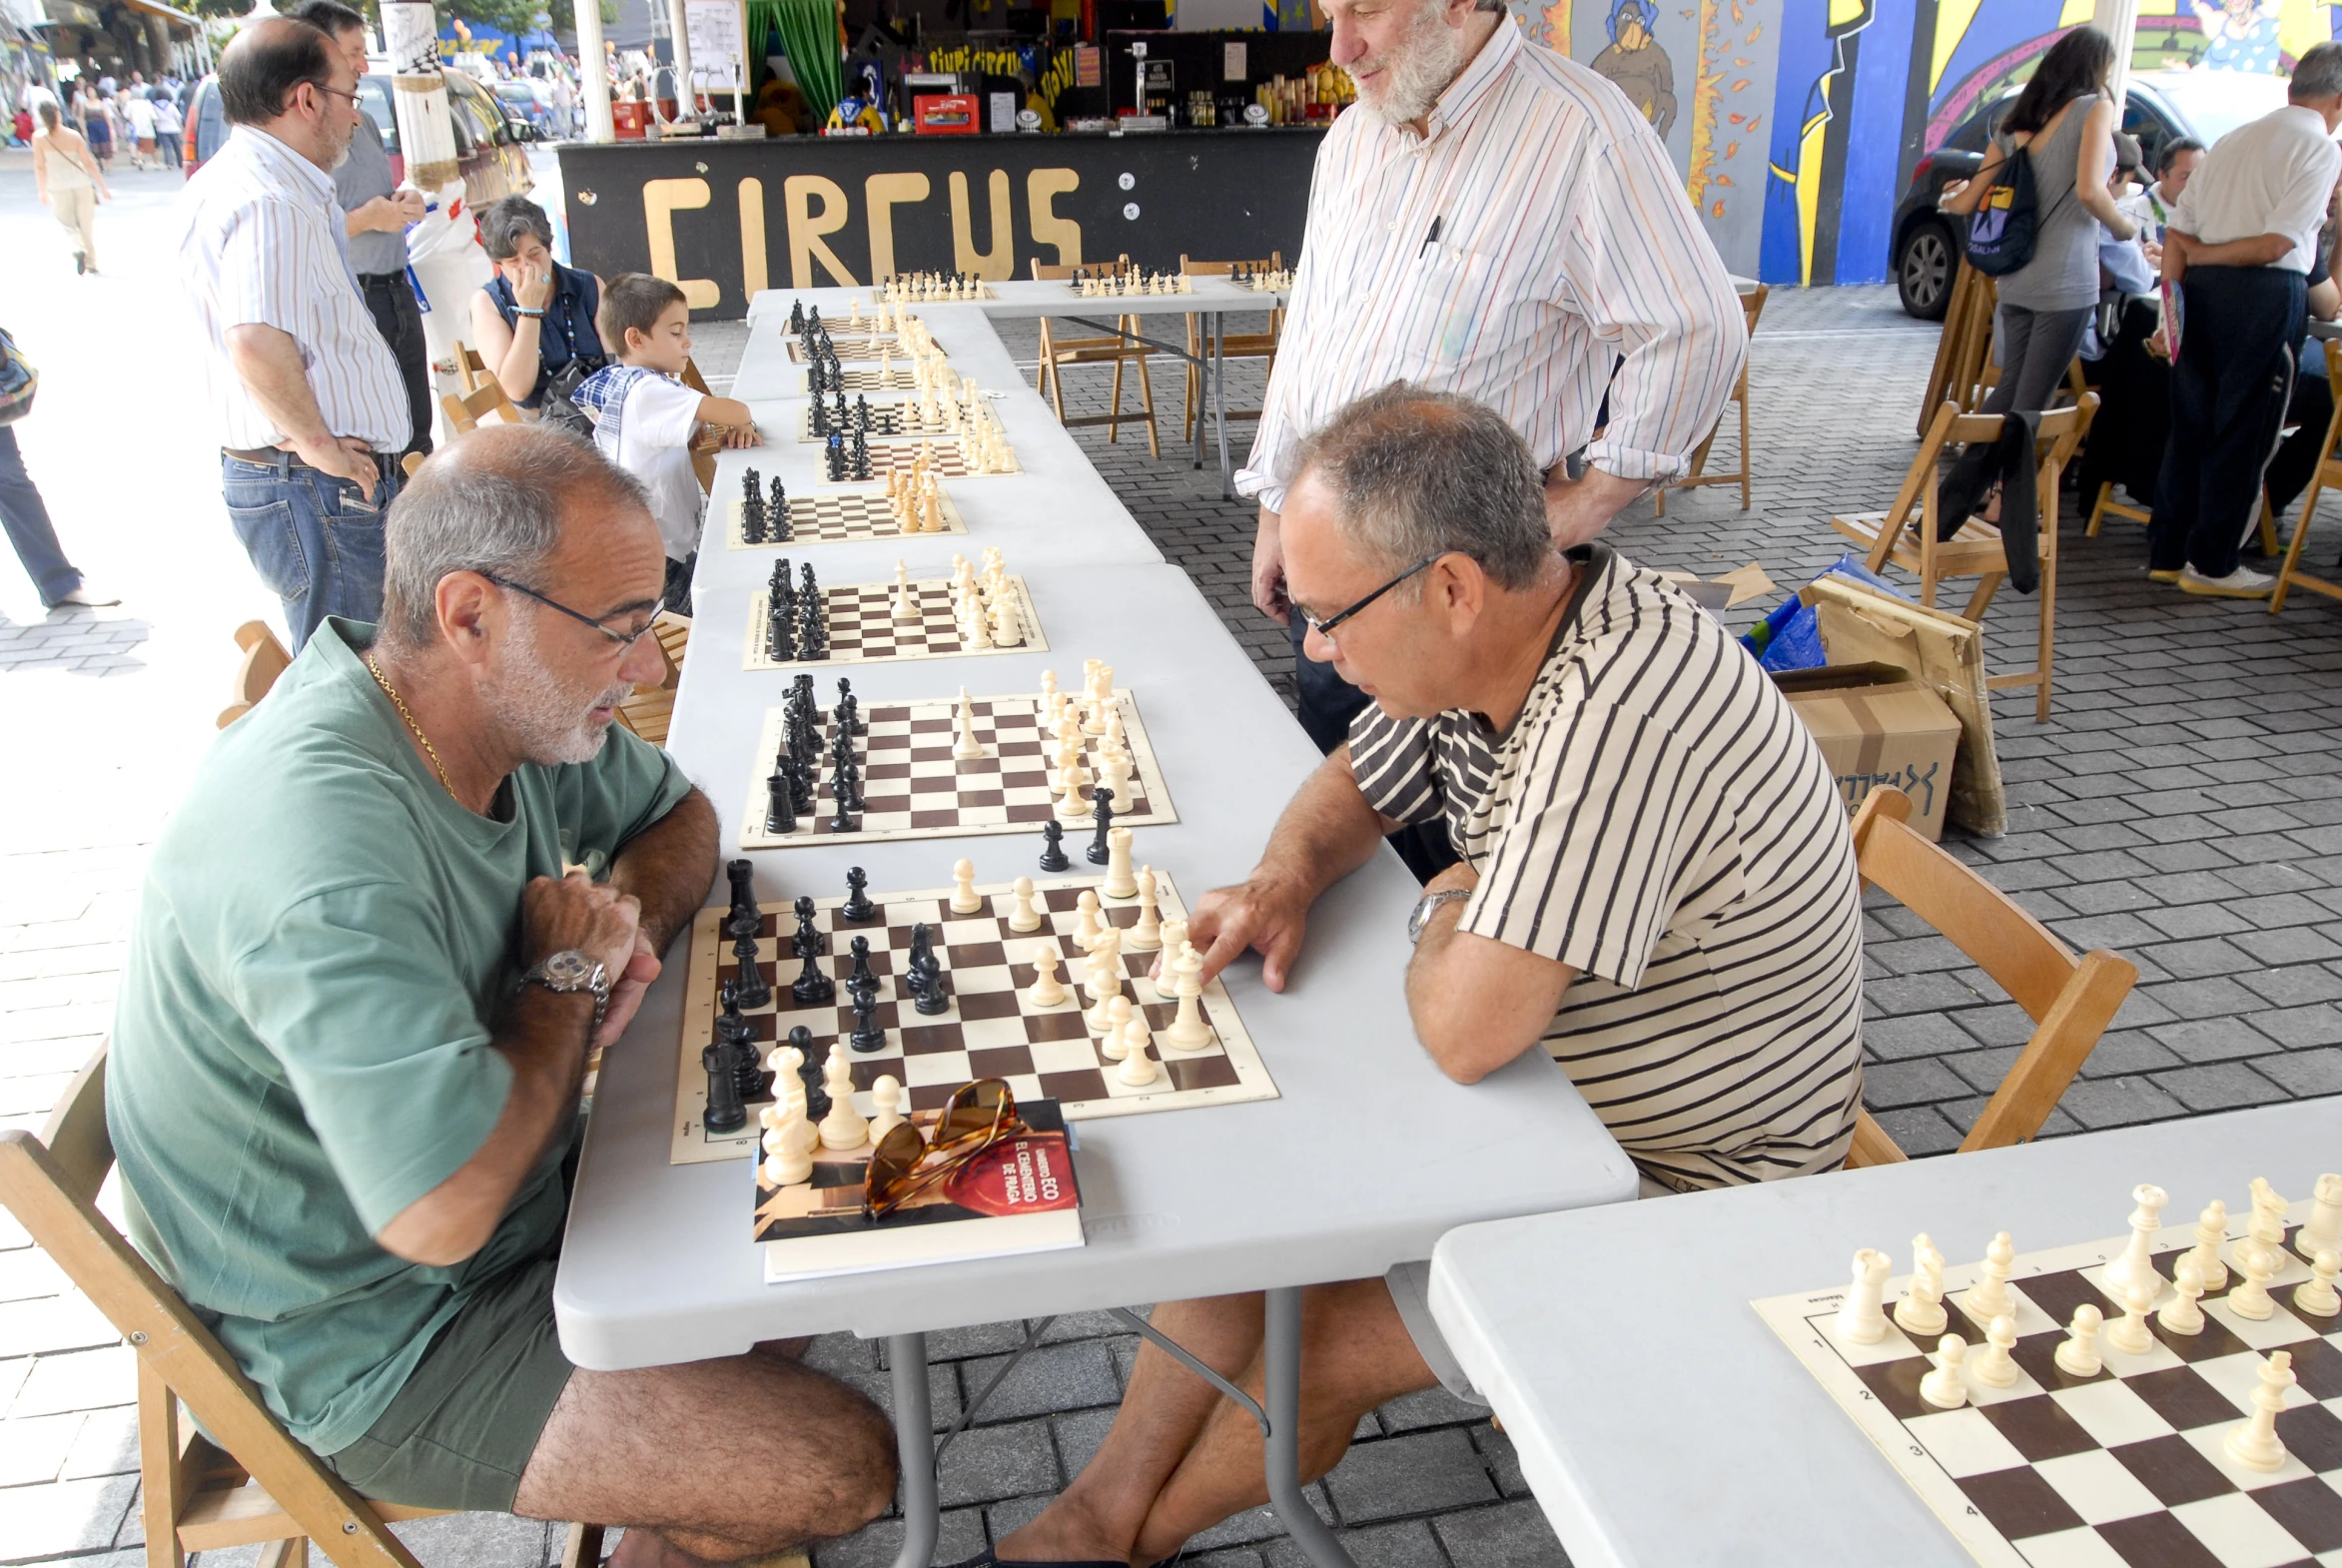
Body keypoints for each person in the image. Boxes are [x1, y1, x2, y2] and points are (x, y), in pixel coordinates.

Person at [988, 385, 1864, 1568]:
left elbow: (1462, 1029)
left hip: (1695, 1186)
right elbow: (1355, 782)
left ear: (1450, 586)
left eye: (1328, 614)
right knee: (1262, 1212)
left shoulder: (1612, 714)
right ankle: (1084, 1529)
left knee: (1324, 1330)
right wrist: (1283, 878)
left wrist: (1446, 894)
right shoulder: (1501, 637)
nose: (1312, 648)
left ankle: (1112, 1544)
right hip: (1558, 1103)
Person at [107, 424, 897, 1565]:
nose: (652, 669)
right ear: (470, 615)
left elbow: (678, 818)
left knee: (834, 1196)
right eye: (621, 631)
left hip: (522, 1197)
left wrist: (617, 923)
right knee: (832, 1465)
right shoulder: (320, 848)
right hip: (378, 1332)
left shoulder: (486, 710)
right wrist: (567, 976)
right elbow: (441, 1210)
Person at [1235, 0, 1743, 822]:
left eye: (1364, 8)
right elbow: (1313, 334)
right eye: (1330, 10)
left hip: (1465, 581)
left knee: (1464, 838)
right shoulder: (1352, 140)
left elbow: (1694, 327)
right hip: (1336, 569)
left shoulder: (1579, 131)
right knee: (1341, 808)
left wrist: (1593, 499)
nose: (1340, 46)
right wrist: (1273, 504)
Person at [178, 18, 412, 652]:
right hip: (311, 483)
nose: (355, 119)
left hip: (304, 479)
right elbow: (253, 339)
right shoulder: (269, 198)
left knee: (365, 672)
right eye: (348, 98)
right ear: (306, 99)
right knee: (358, 678)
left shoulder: (253, 182)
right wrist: (322, 448)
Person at [2148, 43, 2342, 598]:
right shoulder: (2320, 148)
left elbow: (2179, 236)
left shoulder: (2233, 140)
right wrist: (2208, 259)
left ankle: (2167, 552)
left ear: (2291, 86)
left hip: (2199, 292)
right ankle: (2211, 564)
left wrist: (2171, 312)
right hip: (2264, 296)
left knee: (2190, 425)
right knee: (2244, 431)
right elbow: (2279, 242)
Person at [1938, 27, 2138, 512]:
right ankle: (2000, 502)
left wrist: (1947, 196)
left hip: (2016, 277)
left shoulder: (2014, 124)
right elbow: (2092, 191)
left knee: (2008, 391)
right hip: (2066, 279)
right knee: (2031, 404)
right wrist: (2125, 226)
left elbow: (1966, 201)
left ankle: (1954, 500)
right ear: (2096, 71)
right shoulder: (2095, 108)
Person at [290, 0, 433, 458]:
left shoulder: (363, 120)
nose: (363, 64)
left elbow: (378, 194)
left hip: (397, 289)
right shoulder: (298, 139)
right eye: (353, 52)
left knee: (417, 430)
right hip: (353, 298)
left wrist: (403, 203)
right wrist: (365, 220)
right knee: (379, 439)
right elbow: (300, 234)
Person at [572, 274, 760, 609]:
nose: (688, 341)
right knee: (727, 613)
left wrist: (721, 422)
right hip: (657, 559)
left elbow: (701, 416)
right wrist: (740, 421)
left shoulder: (625, 379)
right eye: (676, 332)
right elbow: (736, 409)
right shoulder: (649, 392)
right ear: (636, 339)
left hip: (642, 544)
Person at [471, 195, 608, 415]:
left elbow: (618, 361)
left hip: (600, 409)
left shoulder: (588, 285)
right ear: (499, 264)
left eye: (534, 254)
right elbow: (516, 390)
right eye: (513, 262)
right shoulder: (487, 303)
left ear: (548, 248)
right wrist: (529, 311)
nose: (526, 267)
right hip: (535, 421)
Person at [31, 101, 108, 275]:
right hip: (81, 183)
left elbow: (40, 166)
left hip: (57, 185)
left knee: (67, 223)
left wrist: (41, 190)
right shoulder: (73, 136)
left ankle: (76, 247)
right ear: (58, 113)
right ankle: (92, 263)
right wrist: (103, 187)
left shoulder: (39, 138)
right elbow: (88, 162)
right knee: (86, 224)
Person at [2121, 136, 2205, 245]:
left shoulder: (2210, 211)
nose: (2196, 184)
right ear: (2163, 175)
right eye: (2185, 177)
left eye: (2202, 176)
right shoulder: (2136, 212)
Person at [120, 81, 155, 169]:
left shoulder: (130, 104)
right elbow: (153, 116)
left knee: (133, 142)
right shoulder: (147, 103)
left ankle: (135, 157)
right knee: (144, 143)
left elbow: (125, 115)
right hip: (146, 126)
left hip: (133, 126)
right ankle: (146, 159)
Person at [151, 84, 183, 170]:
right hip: (173, 128)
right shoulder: (171, 105)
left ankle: (169, 163)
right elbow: (178, 117)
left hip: (162, 129)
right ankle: (181, 162)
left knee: (167, 147)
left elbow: (154, 118)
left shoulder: (154, 106)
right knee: (177, 146)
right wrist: (179, 125)